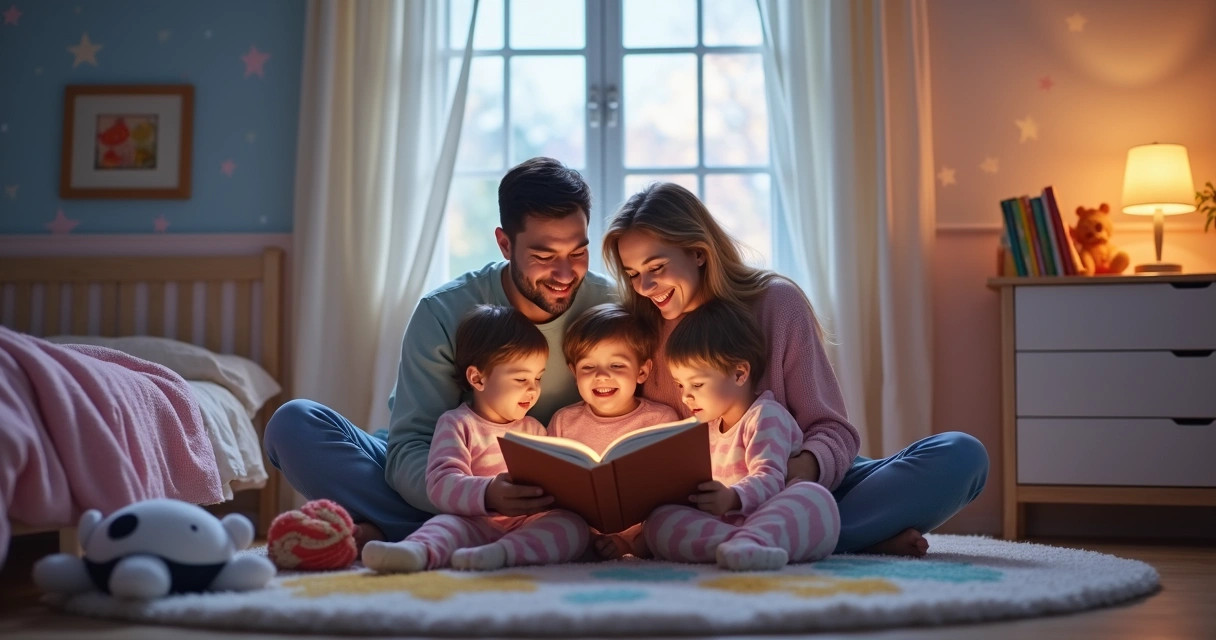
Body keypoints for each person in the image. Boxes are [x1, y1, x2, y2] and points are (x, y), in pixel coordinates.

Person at [602, 182, 989, 557]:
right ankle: (843, 537)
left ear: (698, 252)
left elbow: (832, 430)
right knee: (664, 522)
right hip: (716, 503)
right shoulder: (639, 335)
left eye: (656, 266)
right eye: (633, 274)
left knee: (962, 455)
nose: (645, 286)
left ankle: (804, 533)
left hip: (802, 482)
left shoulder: (776, 303)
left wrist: (792, 476)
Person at [264, 158, 617, 549]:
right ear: (504, 244)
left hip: (546, 496)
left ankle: (414, 532)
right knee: (292, 424)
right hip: (448, 472)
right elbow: (411, 448)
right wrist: (481, 494)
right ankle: (462, 532)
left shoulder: (612, 307)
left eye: (578, 252)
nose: (566, 274)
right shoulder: (444, 310)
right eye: (545, 256)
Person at [362, 306, 589, 573]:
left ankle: (501, 554)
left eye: (538, 377)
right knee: (444, 526)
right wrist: (489, 493)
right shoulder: (458, 424)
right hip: (474, 519)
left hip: (526, 523)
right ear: (477, 378)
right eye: (520, 378)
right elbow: (440, 483)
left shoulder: (535, 429)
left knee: (572, 527)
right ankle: (415, 552)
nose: (532, 388)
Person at [644, 299, 840, 571]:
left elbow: (770, 479)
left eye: (697, 384)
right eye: (680, 384)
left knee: (814, 499)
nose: (686, 396)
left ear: (739, 373)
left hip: (772, 515)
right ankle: (742, 544)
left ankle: (752, 541)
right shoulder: (704, 428)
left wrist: (731, 497)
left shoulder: (765, 416)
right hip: (725, 524)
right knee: (659, 520)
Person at [546, 302, 678, 559]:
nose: (601, 376)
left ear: (642, 371)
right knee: (553, 526)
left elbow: (673, 488)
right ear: (574, 372)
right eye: (588, 367)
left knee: (671, 520)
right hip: (580, 529)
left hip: (645, 531)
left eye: (616, 366)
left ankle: (632, 547)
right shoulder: (563, 421)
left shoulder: (661, 419)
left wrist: (633, 541)